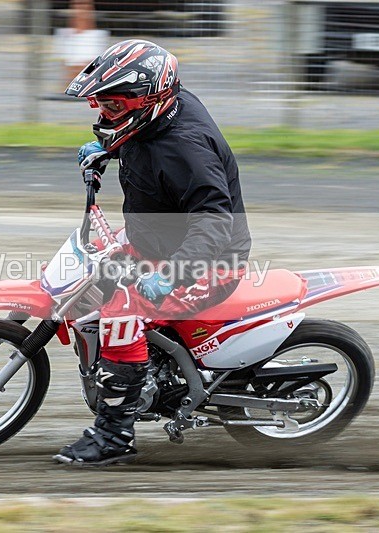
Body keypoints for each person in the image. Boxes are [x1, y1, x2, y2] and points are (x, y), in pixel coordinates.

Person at [53, 39, 252, 467]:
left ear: (148, 100)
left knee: (121, 315)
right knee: (86, 275)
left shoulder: (186, 148)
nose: (104, 114)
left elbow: (214, 221)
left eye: (113, 105)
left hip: (207, 259)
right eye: (99, 104)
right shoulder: (158, 113)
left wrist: (171, 274)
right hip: (158, 237)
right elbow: (144, 138)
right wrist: (110, 149)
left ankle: (114, 436)